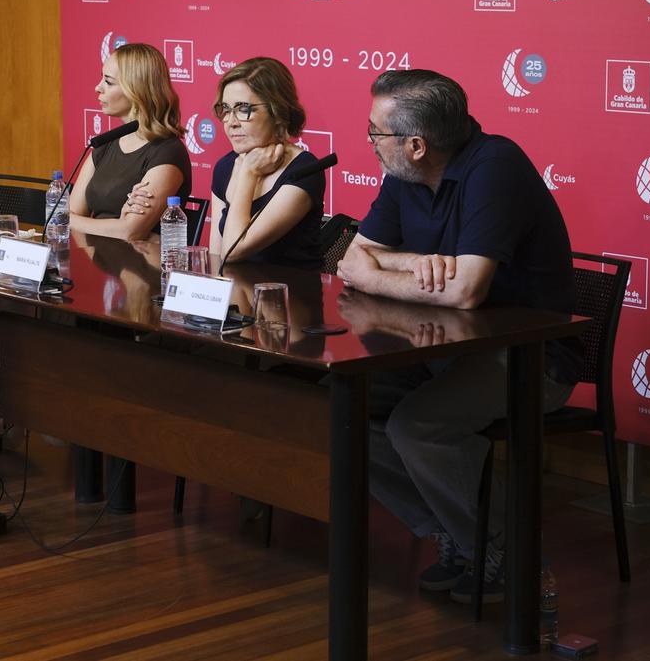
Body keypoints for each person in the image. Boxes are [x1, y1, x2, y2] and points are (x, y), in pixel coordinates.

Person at [335, 69, 582, 604]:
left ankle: (502, 554)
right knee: (344, 411)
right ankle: (456, 534)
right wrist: (418, 264)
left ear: (416, 145)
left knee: (417, 427)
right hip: (444, 350)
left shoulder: (496, 166)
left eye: (376, 132)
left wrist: (380, 271)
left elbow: (466, 292)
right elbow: (351, 259)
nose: (371, 143)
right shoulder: (404, 172)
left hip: (530, 359)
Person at [124, 57, 327, 266]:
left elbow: (233, 250)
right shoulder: (226, 166)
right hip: (238, 293)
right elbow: (217, 258)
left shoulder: (304, 170)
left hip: (290, 295)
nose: (231, 122)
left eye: (243, 109)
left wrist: (248, 173)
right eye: (226, 110)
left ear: (278, 112)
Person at [69, 43, 191, 240]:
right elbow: (67, 217)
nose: (98, 87)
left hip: (137, 267)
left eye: (108, 81)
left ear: (136, 89)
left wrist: (119, 227)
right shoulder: (105, 145)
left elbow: (130, 232)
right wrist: (117, 224)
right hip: (96, 261)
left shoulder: (167, 152)